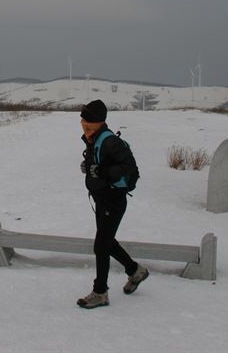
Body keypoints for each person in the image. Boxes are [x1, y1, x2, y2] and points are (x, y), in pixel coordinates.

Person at [76, 99, 148, 309]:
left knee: (101, 245)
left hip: (113, 199)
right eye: (82, 119)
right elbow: (102, 163)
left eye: (87, 120)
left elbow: (129, 167)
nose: (83, 123)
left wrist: (103, 172)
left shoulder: (108, 141)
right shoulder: (94, 138)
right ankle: (135, 270)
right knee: (107, 242)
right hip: (102, 197)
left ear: (97, 121)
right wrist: (89, 166)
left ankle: (100, 292)